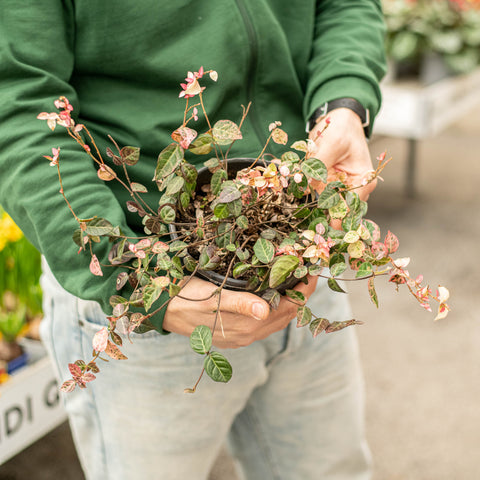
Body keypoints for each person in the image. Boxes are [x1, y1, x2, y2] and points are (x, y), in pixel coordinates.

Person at [0, 1, 386, 479]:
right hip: (149, 287)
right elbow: (14, 100)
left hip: (301, 251)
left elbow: (345, 6)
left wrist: (343, 105)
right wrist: (134, 277)